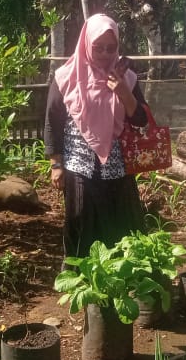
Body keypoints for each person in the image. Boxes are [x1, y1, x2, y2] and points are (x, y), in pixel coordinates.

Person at [44, 13, 150, 259]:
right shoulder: (66, 77)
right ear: (86, 43)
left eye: (111, 48)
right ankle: (80, 278)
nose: (104, 53)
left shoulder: (127, 78)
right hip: (79, 165)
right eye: (98, 47)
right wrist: (56, 164)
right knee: (82, 225)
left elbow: (141, 119)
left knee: (122, 229)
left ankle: (122, 278)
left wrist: (124, 93)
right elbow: (52, 123)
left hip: (118, 168)